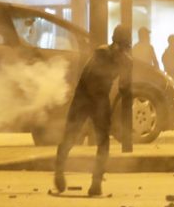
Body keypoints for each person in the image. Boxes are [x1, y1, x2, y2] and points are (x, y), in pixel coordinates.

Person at [53, 25, 132, 197]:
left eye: (124, 47)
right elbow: (88, 78)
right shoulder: (101, 53)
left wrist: (126, 72)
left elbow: (125, 88)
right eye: (120, 46)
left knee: (103, 142)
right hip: (84, 97)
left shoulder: (125, 60)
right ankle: (59, 171)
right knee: (71, 136)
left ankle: (96, 183)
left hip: (100, 99)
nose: (121, 50)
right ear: (115, 43)